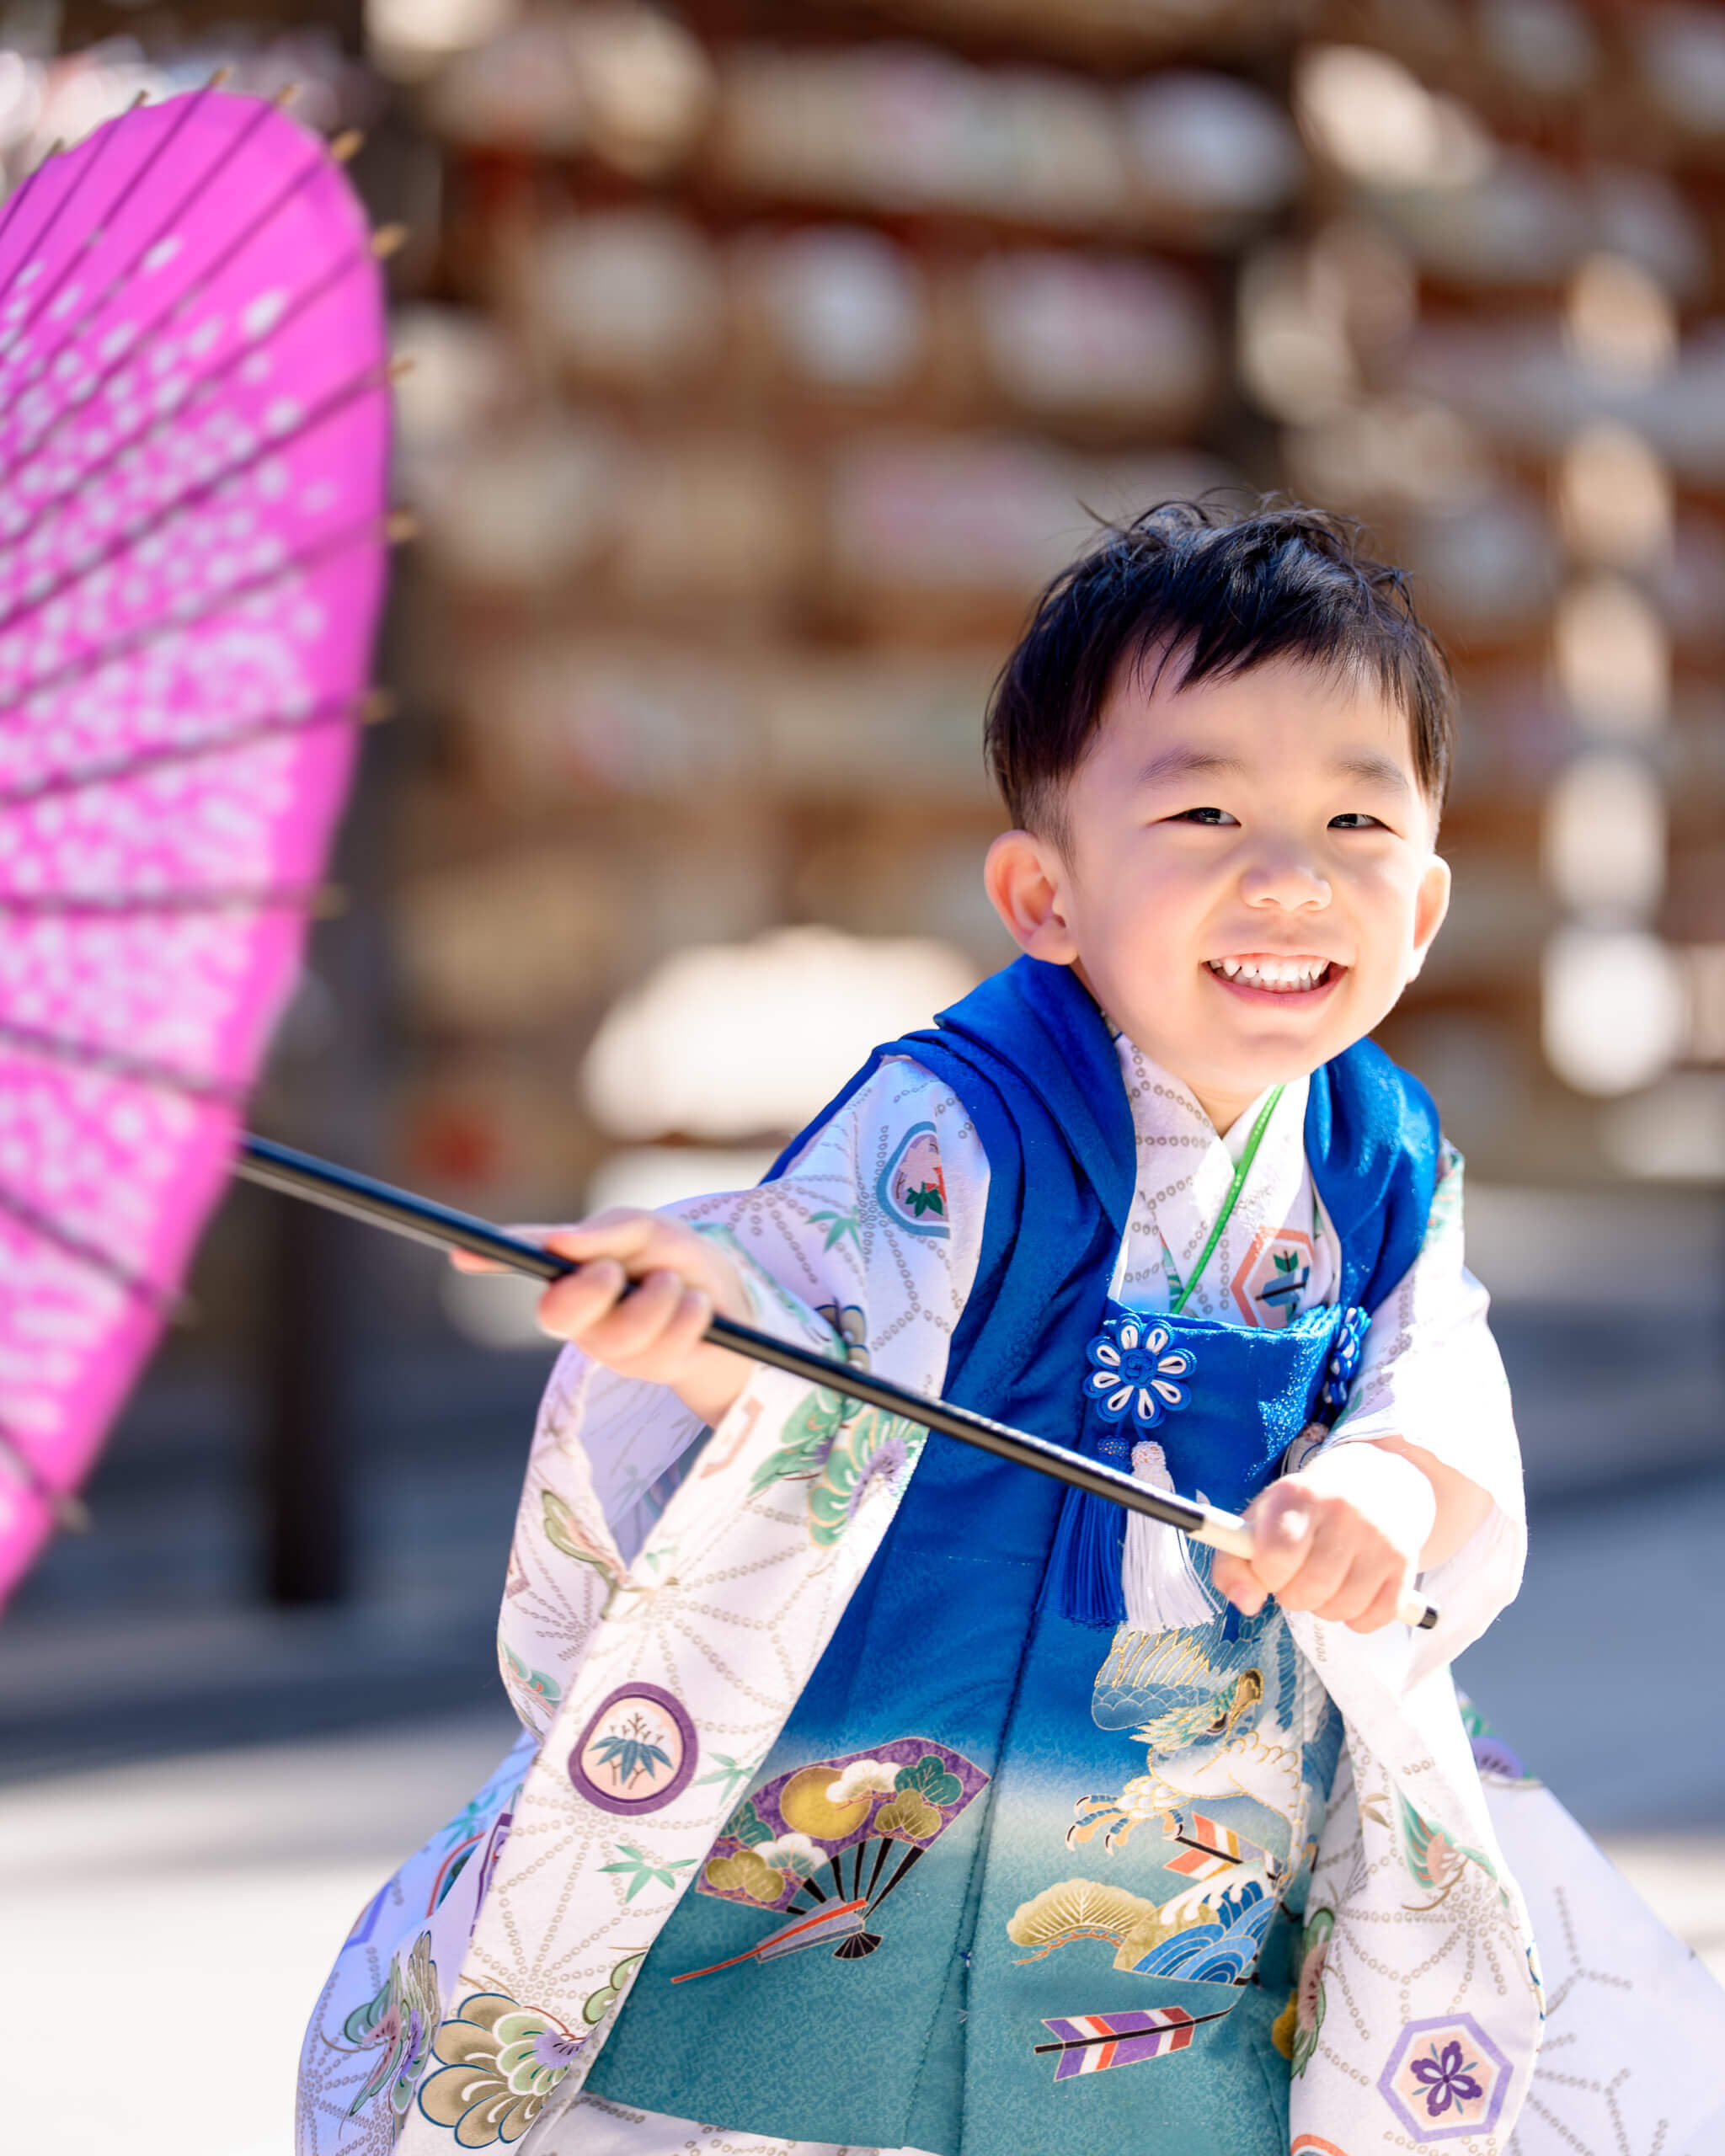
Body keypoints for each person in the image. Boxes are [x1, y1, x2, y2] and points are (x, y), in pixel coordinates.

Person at [297, 503, 1723, 2156]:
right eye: (1205, 811)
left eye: (1355, 819)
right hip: (880, 1727)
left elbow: (1437, 1382)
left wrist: (1382, 1494)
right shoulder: (960, 1116)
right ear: (1044, 892)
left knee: (1181, 2082)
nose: (1290, 876)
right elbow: (820, 1291)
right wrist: (702, 1314)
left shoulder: (1383, 1162)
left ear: (1420, 909)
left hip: (1193, 1803)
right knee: (776, 2073)